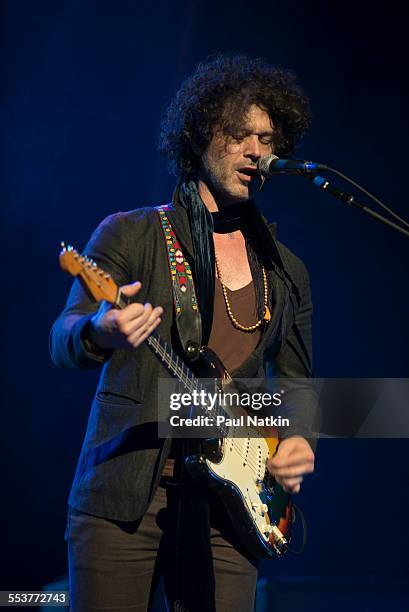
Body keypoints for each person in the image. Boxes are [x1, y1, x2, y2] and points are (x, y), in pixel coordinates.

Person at [50, 54, 316, 611]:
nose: (255, 151)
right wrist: (103, 329)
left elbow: (294, 384)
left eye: (266, 139)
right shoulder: (132, 233)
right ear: (198, 137)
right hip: (125, 496)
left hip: (233, 506)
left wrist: (296, 441)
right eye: (239, 133)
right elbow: (63, 338)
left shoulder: (286, 270)